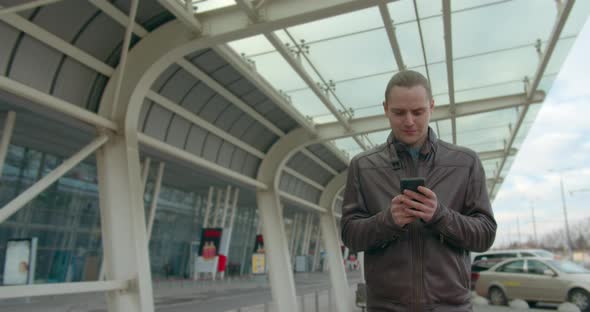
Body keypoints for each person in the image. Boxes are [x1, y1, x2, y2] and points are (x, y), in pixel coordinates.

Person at [341, 70, 497, 312]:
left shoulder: (465, 162)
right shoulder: (363, 166)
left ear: (431, 106)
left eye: (418, 112)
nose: (409, 121)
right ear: (385, 108)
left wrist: (440, 216)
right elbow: (350, 235)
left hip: (450, 307)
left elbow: (485, 235)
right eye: (399, 112)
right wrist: (387, 221)